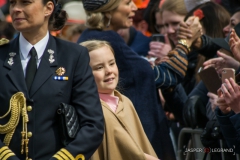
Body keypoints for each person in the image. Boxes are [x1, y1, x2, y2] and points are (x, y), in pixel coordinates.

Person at [78, 0, 202, 159]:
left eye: (111, 63)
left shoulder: (89, 35)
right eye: (127, 2)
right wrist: (185, 42)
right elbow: (166, 76)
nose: (134, 8)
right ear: (108, 10)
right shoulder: (107, 40)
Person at [0, 0, 104, 159]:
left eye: (25, 2)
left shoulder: (73, 56)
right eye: (13, 3)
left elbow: (92, 125)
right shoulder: (2, 55)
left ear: (48, 8)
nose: (16, 9)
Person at [80, 39, 159, 160]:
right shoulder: (89, 108)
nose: (109, 71)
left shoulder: (125, 102)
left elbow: (139, 143)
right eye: (99, 67)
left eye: (112, 63)